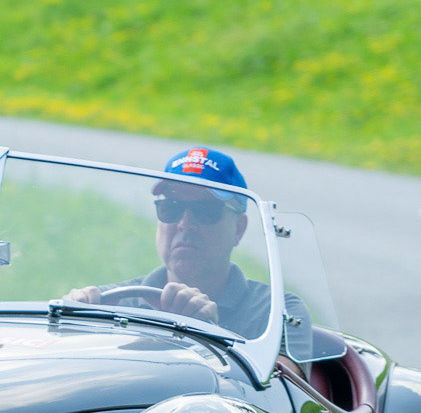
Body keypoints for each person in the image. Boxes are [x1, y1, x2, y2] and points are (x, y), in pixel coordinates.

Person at [65, 147, 311, 359]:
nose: (185, 224)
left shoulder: (275, 310)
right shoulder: (115, 303)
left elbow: (283, 389)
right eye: (171, 209)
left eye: (205, 210)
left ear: (238, 228)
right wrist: (71, 320)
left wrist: (209, 333)